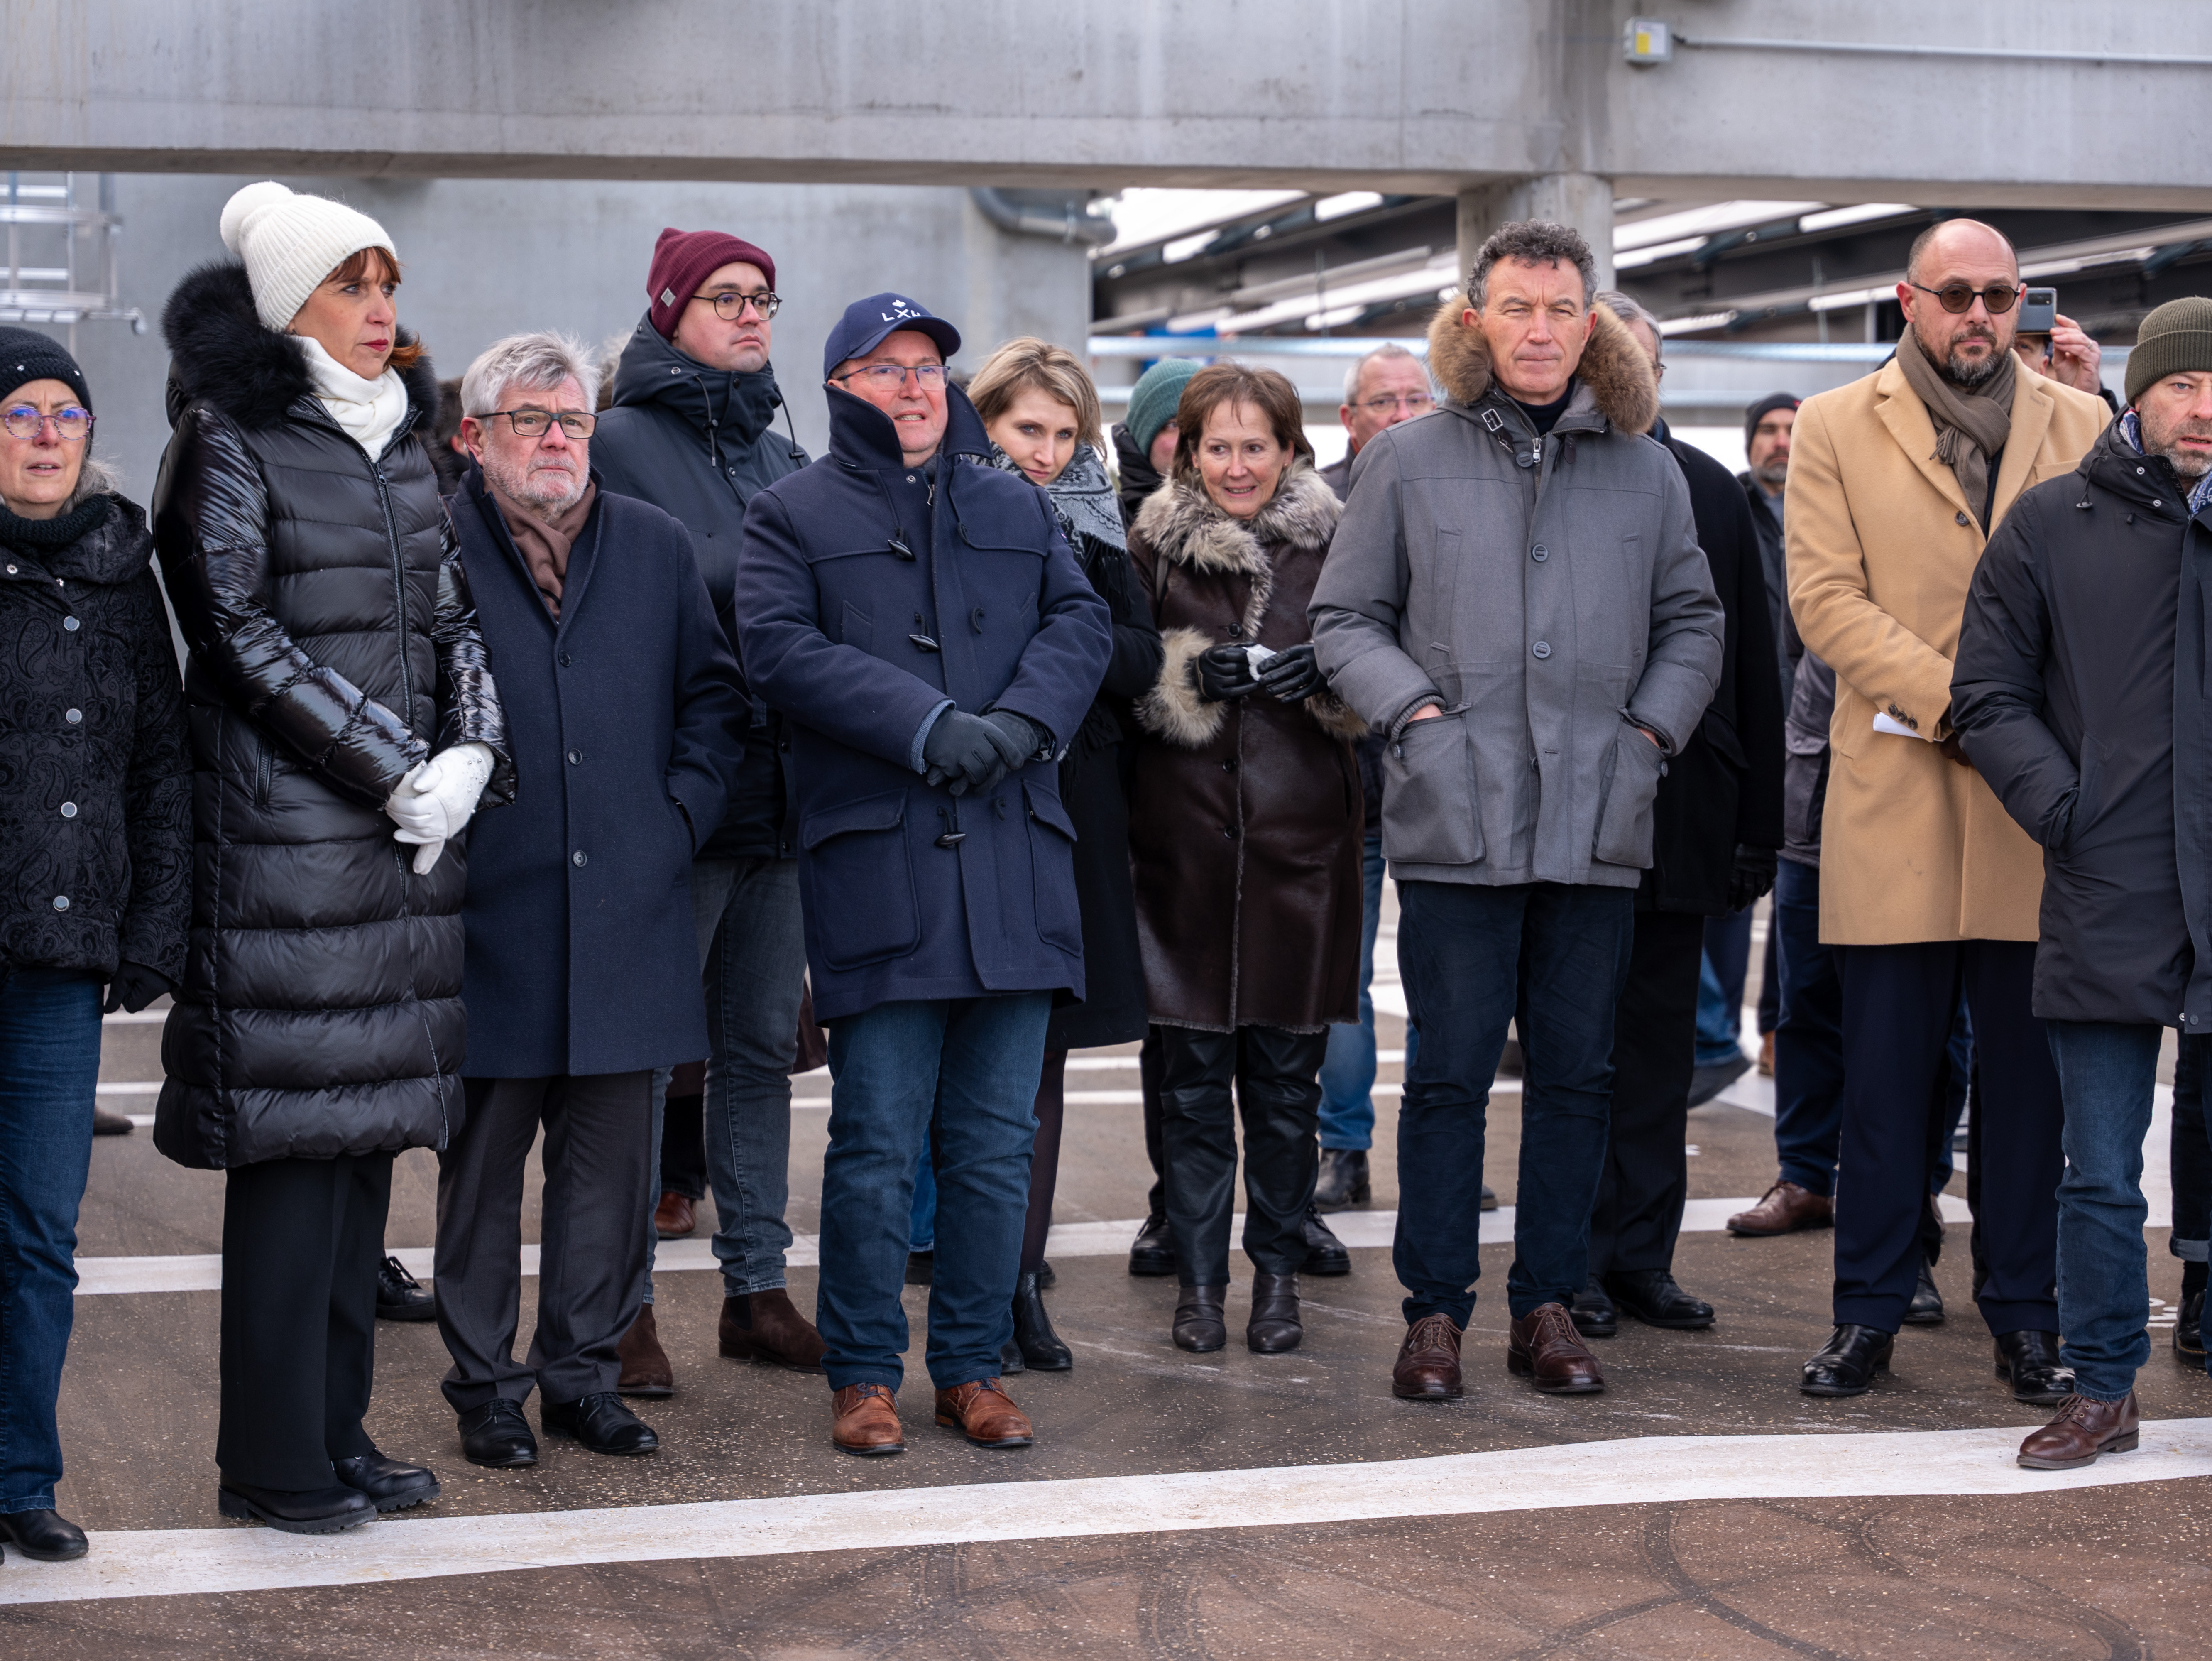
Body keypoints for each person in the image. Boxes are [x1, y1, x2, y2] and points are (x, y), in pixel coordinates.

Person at [1311, 220, 1723, 1402]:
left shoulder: (1647, 470)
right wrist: (1418, 719)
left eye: (1560, 309)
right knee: (1446, 1076)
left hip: (1597, 816)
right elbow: (1345, 620)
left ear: (1589, 324)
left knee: (1579, 1073)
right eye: (1516, 307)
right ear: (1476, 318)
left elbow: (1696, 621)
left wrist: (1648, 732)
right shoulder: (1407, 459)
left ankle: (1546, 1301)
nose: (1539, 330)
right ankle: (1434, 1311)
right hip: (1458, 817)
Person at [152, 182, 510, 1534]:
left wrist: (472, 756)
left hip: (409, 855)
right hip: (291, 862)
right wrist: (394, 767)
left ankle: (337, 1434)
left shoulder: (408, 444)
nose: (381, 312)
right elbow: (236, 635)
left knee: (363, 1164)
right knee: (296, 1173)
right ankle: (271, 1462)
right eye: (352, 286)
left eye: (388, 284)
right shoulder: (230, 438)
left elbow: (459, 621)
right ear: (287, 303)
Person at [735, 293, 1110, 1457]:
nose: (913, 387)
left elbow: (1082, 621)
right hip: (883, 866)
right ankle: (862, 1373)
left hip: (1014, 856)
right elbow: (780, 649)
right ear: (840, 385)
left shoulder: (1012, 501)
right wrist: (927, 721)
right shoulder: (788, 513)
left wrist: (1021, 725)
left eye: (928, 368)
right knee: (879, 1138)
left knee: (996, 1141)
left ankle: (969, 1368)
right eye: (884, 369)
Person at [1785, 217, 2109, 1400]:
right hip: (1900, 793)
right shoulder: (1833, 426)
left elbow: (2113, 598)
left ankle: (2025, 1315)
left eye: (2001, 296)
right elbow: (1826, 602)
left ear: (2024, 305)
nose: (1980, 315)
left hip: (2035, 813)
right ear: (1907, 302)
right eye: (1956, 294)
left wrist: (2019, 732)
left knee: (2029, 1094)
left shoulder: (2085, 425)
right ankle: (1867, 1309)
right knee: (1884, 1083)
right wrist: (1966, 707)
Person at [433, 331, 743, 1468]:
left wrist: (677, 822)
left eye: (572, 420)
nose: (559, 440)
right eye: (530, 420)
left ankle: (581, 1378)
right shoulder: (433, 549)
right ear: (476, 438)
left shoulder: (656, 548)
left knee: (611, 1182)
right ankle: (484, 1387)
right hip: (485, 917)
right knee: (479, 1181)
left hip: (629, 912)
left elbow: (716, 705)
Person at [1952, 296, 2212, 1468]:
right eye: (2185, 385)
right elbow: (1988, 693)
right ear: (2139, 393)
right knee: (2099, 1167)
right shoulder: (2054, 524)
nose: (2206, 411)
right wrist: (2067, 810)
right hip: (2113, 874)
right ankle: (2104, 1386)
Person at [588, 227, 822, 1391]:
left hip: (783, 798)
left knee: (756, 1054)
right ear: (670, 311)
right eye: (725, 297)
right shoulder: (618, 442)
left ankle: (756, 1288)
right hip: (679, 795)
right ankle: (617, 1300)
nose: (749, 315)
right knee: (642, 1060)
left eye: (763, 299)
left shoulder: (783, 452)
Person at [1126, 363, 1365, 1357]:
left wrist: (1333, 673)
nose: (1237, 465)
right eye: (1216, 447)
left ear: (1290, 451)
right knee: (1188, 1086)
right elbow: (1115, 675)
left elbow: (1392, 658)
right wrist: (1180, 677)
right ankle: (1197, 1282)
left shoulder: (1342, 544)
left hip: (1301, 849)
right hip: (1179, 853)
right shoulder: (1145, 551)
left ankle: (1275, 1278)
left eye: (1255, 446)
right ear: (1184, 452)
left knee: (1284, 1084)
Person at [0, 331, 190, 1562]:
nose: (47, 434)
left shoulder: (125, 570)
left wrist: (152, 925)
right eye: (21, 412)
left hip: (58, 957)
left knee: (36, 1233)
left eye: (66, 412)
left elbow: (162, 765)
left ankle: (20, 1473)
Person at [1571, 296, 1783, 1340]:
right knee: (1577, 1055)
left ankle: (1639, 1262)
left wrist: (1757, 825)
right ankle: (1569, 1262)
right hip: (1564, 821)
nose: (1627, 373)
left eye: (1642, 358)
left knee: (1656, 1058)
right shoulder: (1549, 473)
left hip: (1681, 811)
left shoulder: (1705, 486)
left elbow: (1752, 660)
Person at [969, 337, 1160, 1370]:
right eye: (1024, 430)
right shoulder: (941, 510)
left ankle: (1019, 1287)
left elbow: (1139, 656)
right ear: (985, 424)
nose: (1045, 455)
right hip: (966, 800)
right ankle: (970, 1284)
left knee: (1035, 1072)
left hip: (1071, 809)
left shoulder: (1098, 527)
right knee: (956, 1074)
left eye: (1062, 434)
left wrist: (1061, 622)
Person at [1315, 343, 1437, 1214]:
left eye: (1414, 398)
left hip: (1445, 778)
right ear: (1349, 419)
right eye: (1382, 400)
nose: (1400, 413)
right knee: (1345, 982)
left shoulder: (1476, 490)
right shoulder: (1317, 504)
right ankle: (1344, 1149)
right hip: (1350, 779)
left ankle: (1443, 1157)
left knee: (1445, 980)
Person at [1112, 356, 1201, 527]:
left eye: (1199, 424)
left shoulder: (1247, 514)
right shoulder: (1108, 528)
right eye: (1173, 425)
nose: (1190, 440)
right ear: (1143, 439)